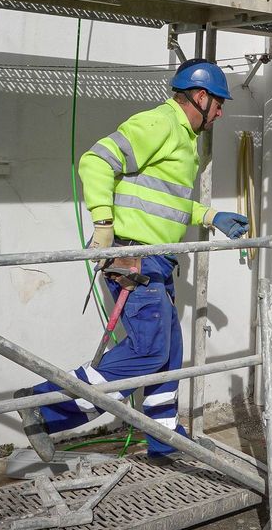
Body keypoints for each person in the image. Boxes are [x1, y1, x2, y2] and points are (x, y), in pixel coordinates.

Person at [16, 59, 250, 460]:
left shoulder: (182, 137)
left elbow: (166, 202)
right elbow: (95, 161)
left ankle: (164, 439)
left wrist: (210, 216)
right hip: (134, 258)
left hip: (156, 261)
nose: (221, 113)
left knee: (168, 355)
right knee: (147, 352)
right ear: (200, 96)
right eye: (219, 104)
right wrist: (103, 224)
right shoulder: (159, 123)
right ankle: (45, 406)